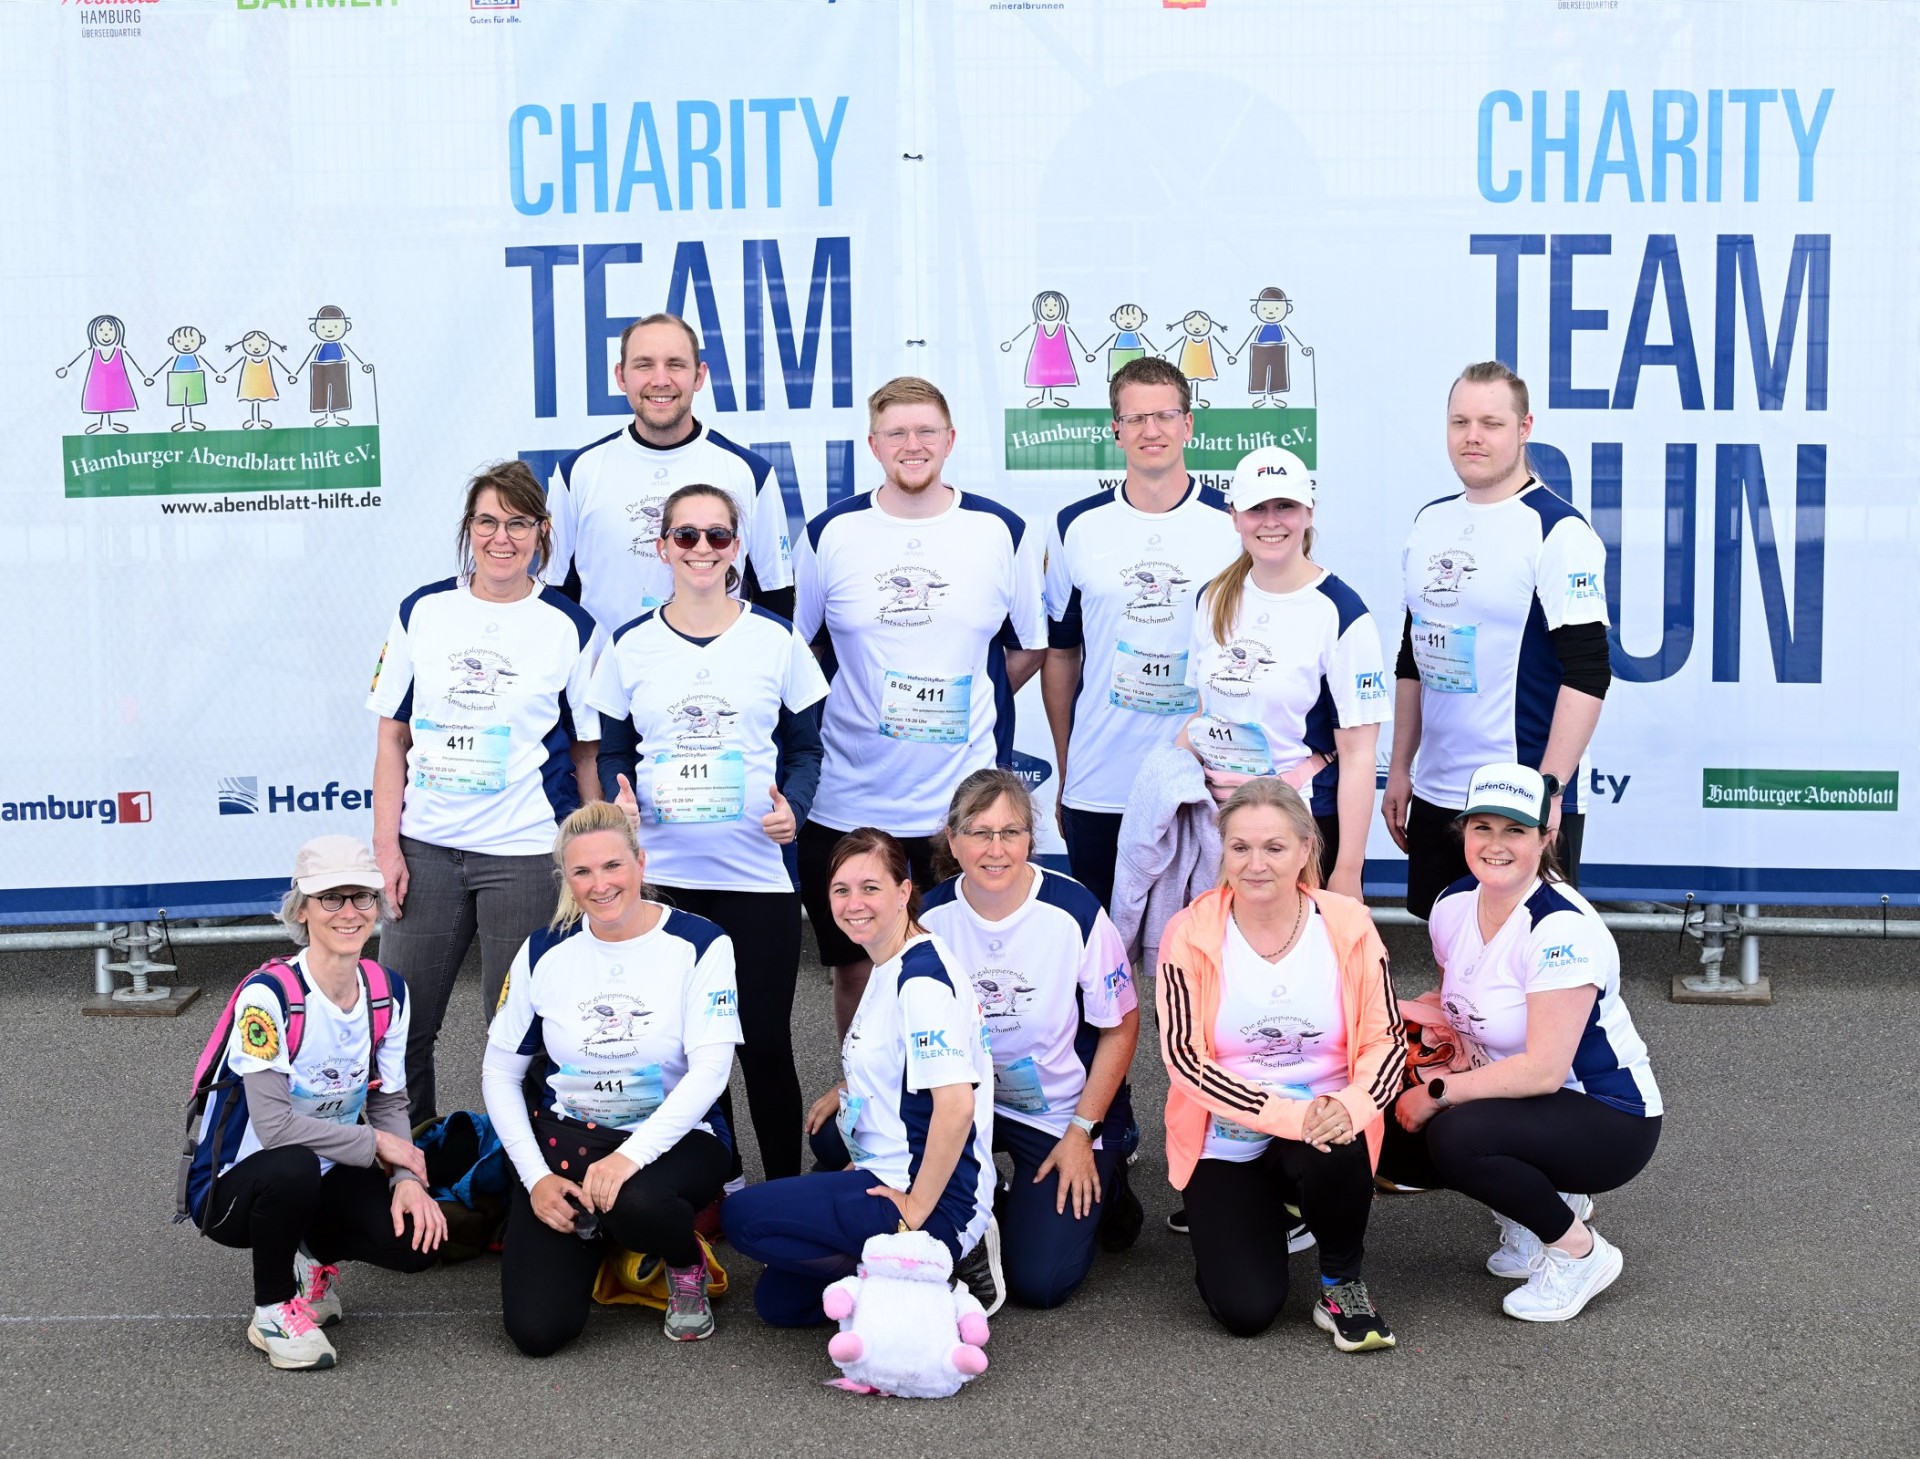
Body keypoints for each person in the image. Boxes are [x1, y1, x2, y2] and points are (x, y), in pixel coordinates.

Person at [590, 482, 828, 1184]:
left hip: (756, 876)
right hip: (668, 879)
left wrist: (797, 812)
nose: (702, 548)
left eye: (717, 535)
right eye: (686, 535)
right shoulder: (630, 645)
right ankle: (717, 1188)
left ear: (738, 547)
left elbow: (807, 750)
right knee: (696, 1048)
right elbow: (610, 751)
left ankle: (781, 1191)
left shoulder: (775, 638)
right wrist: (618, 802)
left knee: (764, 1043)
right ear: (662, 547)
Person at [795, 376, 1046, 1034]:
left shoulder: (1001, 531)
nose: (913, 444)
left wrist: (959, 713)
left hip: (958, 806)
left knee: (960, 964)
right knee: (857, 968)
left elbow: (1027, 648)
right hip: (847, 799)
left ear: (951, 439)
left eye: (926, 430)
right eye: (897, 432)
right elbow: (796, 660)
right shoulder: (830, 534)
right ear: (873, 443)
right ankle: (863, 1105)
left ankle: (963, 1114)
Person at [1379, 763, 1662, 1323]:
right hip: (1518, 1100)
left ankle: (1580, 1253)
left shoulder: (1561, 929)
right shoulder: (1453, 904)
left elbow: (1541, 1072)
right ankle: (1537, 1213)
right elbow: (1456, 997)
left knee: (1458, 1136)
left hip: (1609, 1117)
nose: (1496, 844)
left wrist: (1436, 1089)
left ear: (1545, 837)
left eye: (1515, 830)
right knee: (1381, 1114)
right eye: (1482, 827)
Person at [368, 460, 603, 1122]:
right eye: (488, 522)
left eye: (518, 522)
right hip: (427, 855)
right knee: (399, 1029)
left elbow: (586, 754)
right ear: (468, 529)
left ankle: (524, 1188)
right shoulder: (423, 610)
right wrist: (387, 846)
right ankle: (410, 1175)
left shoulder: (570, 626)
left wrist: (589, 858)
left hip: (527, 857)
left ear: (543, 530)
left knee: (521, 1037)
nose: (503, 538)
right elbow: (392, 739)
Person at [482, 802, 743, 1355]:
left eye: (612, 866)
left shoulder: (701, 942)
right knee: (537, 1333)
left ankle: (681, 1260)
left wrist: (630, 1158)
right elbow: (499, 1074)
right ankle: (603, 1237)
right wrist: (536, 1180)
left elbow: (712, 1072)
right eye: (582, 872)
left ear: (641, 863)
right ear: (567, 879)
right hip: (569, 1141)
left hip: (675, 1139)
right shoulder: (544, 949)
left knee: (638, 1203)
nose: (599, 885)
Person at [1155, 779, 1407, 1349]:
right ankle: (1264, 1213)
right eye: (1240, 847)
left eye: (1273, 847)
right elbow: (1184, 1060)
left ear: (1305, 849)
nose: (1256, 864)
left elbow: (1387, 1042)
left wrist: (1347, 1106)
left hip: (1324, 1127)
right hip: (1229, 1136)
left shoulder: (1348, 925)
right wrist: (1294, 1117)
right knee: (1246, 1311)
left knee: (1340, 1135)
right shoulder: (1189, 933)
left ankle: (1342, 1282)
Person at [184, 835, 445, 1371]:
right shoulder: (269, 996)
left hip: (327, 1170)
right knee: (294, 1167)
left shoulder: (387, 990)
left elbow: (391, 1101)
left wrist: (406, 1180)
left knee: (418, 1244)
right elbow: (275, 1128)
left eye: (362, 898)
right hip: (234, 1190)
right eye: (331, 899)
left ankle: (313, 1262)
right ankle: (273, 1310)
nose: (349, 913)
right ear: (302, 909)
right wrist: (377, 1143)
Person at [724, 828, 1000, 1324]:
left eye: (870, 888)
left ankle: (940, 1261)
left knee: (743, 1216)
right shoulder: (887, 960)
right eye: (841, 890)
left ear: (903, 891)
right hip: (885, 1169)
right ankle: (893, 1276)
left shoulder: (922, 983)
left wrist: (914, 1207)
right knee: (780, 1305)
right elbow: (897, 1064)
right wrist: (846, 1091)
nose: (855, 903)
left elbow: (956, 1107)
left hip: (932, 1197)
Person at [1383, 360, 1612, 919]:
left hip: (1516, 798)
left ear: (1524, 427)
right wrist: (1400, 767)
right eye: (1460, 422)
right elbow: (1415, 654)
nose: (1473, 437)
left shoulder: (1558, 531)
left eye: (1491, 423)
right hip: (1438, 792)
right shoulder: (1430, 521)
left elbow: (1588, 672)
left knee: (1523, 966)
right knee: (1447, 953)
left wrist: (1549, 790)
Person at [920, 769, 1141, 1307]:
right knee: (838, 1136)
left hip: (1059, 1110)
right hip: (965, 1103)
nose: (995, 849)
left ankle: (1109, 1175)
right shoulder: (929, 917)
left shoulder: (1075, 911)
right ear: (953, 840)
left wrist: (1083, 1131)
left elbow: (1122, 1024)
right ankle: (989, 1192)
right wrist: (850, 1083)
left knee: (1038, 1283)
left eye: (1011, 832)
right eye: (979, 832)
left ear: (1030, 839)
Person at [1041, 356, 1238, 911]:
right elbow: (1061, 655)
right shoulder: (1075, 526)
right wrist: (1067, 765)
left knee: (1202, 954)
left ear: (1189, 425)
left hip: (1204, 780)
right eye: (1136, 419)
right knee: (1105, 962)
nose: (1151, 430)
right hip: (1101, 781)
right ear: (1116, 430)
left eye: (1165, 416)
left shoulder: (1235, 524)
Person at [1178, 446, 1390, 902]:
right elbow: (1202, 714)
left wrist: (1349, 871)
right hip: (1221, 825)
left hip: (1303, 827)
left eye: (1285, 507)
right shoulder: (1211, 598)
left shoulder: (1343, 613)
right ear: (1234, 516)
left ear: (1308, 512)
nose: (1270, 521)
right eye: (1257, 508)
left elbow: (1358, 757)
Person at [543, 312, 795, 636]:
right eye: (644, 365)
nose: (660, 380)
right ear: (620, 376)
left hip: (718, 679)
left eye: (675, 364)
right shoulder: (576, 473)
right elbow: (555, 597)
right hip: (607, 679)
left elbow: (775, 597)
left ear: (700, 376)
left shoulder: (750, 473)